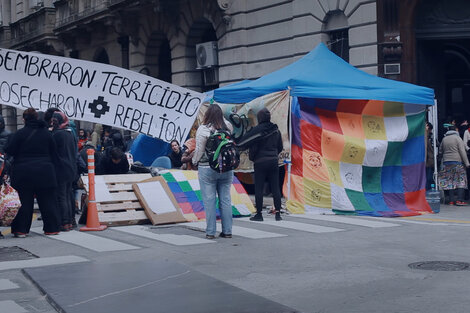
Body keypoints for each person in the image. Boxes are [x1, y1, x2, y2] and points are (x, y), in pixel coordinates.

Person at [5, 108, 61, 237]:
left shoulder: (19, 134)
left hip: (24, 172)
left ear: (24, 119)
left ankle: (21, 230)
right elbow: (54, 154)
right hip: (45, 172)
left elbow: (10, 150)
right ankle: (51, 228)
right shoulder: (47, 134)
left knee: (24, 202)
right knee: (48, 201)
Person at [192, 104, 234, 239]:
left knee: (209, 201)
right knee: (226, 199)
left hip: (207, 168)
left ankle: (210, 232)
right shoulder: (228, 126)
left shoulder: (203, 129)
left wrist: (194, 161)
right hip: (226, 168)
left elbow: (199, 150)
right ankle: (227, 231)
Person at [240, 108, 283, 221]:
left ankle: (259, 214)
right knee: (275, 188)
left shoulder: (257, 131)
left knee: (259, 188)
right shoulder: (276, 130)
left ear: (259, 118)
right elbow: (280, 147)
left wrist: (253, 158)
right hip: (273, 161)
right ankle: (278, 213)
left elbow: (249, 145)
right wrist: (273, 155)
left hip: (260, 162)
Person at [51, 111, 78, 231]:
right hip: (71, 168)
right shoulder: (70, 134)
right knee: (68, 194)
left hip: (60, 168)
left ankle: (65, 222)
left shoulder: (56, 135)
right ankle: (71, 220)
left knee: (62, 195)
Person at [438, 123, 470, 205]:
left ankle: (451, 200)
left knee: (449, 182)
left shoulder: (444, 139)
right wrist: (467, 163)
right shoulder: (458, 138)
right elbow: (462, 152)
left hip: (446, 163)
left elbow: (440, 151)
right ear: (455, 130)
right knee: (460, 181)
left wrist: (440, 160)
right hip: (457, 163)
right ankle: (460, 200)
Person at [425, 122, 436, 190]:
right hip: (427, 161)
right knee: (428, 178)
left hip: (428, 161)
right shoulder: (425, 137)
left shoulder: (430, 137)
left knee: (428, 178)